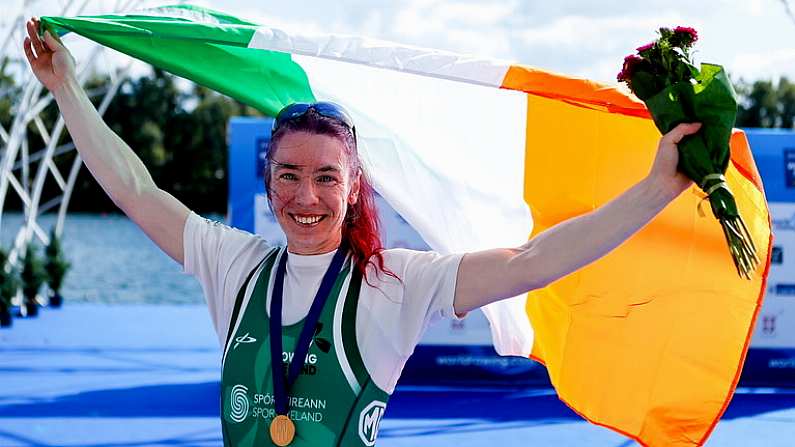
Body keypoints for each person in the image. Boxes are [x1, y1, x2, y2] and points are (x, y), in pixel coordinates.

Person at [24, 17, 702, 447]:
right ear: (268, 182)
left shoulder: (394, 281)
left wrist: (652, 190)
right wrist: (66, 89)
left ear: (353, 190)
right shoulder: (233, 263)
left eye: (326, 177)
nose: (305, 195)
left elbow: (531, 259)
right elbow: (135, 189)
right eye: (288, 174)